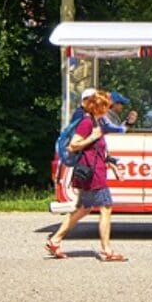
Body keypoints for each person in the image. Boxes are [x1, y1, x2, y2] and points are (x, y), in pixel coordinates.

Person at [45, 90, 126, 261]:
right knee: (106, 208)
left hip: (94, 171)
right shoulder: (87, 123)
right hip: (92, 174)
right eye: (105, 106)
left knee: (83, 209)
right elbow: (73, 146)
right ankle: (107, 250)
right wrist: (92, 137)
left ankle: (55, 240)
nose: (108, 109)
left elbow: (99, 151)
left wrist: (112, 166)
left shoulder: (96, 122)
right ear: (97, 107)